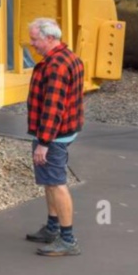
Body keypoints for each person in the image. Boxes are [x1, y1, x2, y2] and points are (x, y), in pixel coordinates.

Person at [23, 17, 85, 256]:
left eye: (35, 39)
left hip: (54, 136)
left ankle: (68, 239)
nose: (32, 44)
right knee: (50, 180)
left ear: (49, 38)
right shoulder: (68, 57)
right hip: (65, 130)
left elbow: (53, 107)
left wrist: (44, 143)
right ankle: (52, 227)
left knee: (57, 183)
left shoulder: (55, 66)